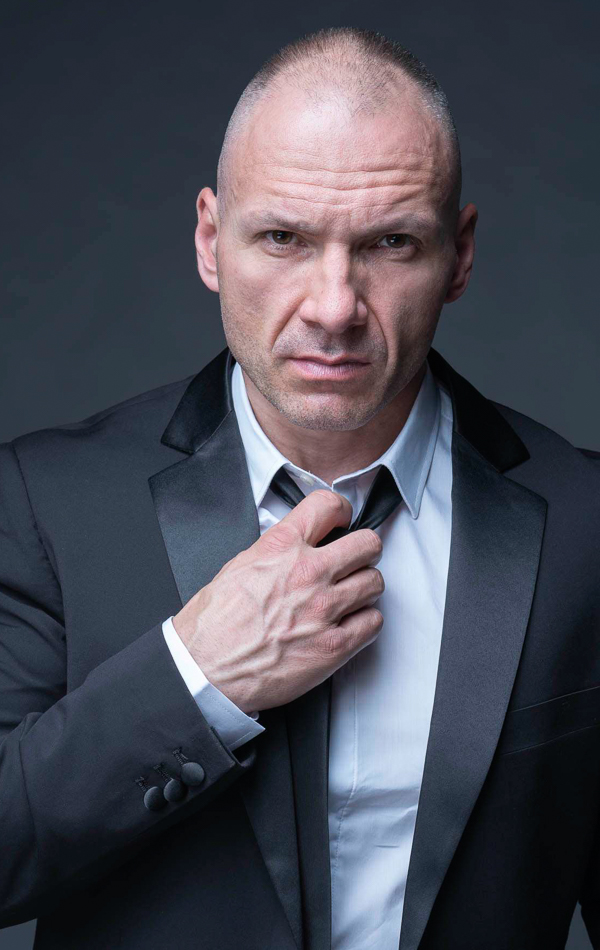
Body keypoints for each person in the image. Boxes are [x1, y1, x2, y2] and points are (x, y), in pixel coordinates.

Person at [0, 24, 598, 950]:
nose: (333, 306)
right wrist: (198, 678)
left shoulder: (587, 526)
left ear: (459, 254)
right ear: (211, 241)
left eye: (392, 243)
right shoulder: (46, 502)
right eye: (283, 237)